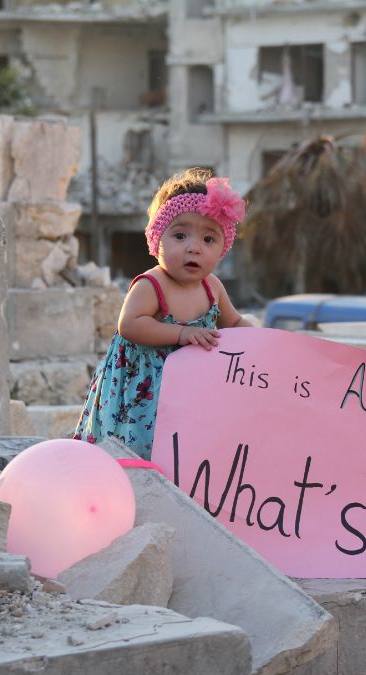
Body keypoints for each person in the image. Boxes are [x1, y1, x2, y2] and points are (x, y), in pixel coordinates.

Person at [74, 169, 252, 458]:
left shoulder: (212, 288)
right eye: (180, 235)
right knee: (139, 450)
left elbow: (233, 322)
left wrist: (261, 340)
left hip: (189, 388)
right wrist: (181, 333)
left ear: (223, 249)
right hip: (140, 392)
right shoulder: (151, 284)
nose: (194, 248)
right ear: (157, 239)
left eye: (209, 239)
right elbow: (130, 325)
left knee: (183, 450)